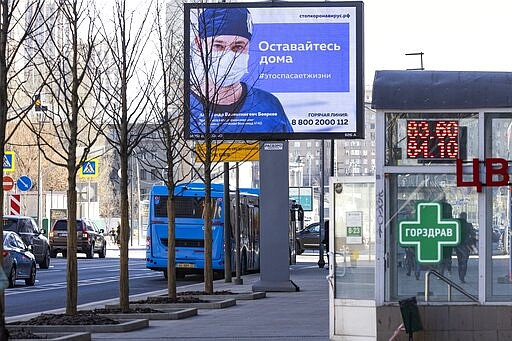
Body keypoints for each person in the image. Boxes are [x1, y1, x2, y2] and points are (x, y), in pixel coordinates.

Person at [189, 7, 293, 135]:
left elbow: (285, 149)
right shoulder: (186, 107)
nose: (228, 56)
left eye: (238, 46)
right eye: (218, 46)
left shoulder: (269, 105)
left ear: (248, 47)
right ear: (199, 45)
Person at [455, 212, 475, 283]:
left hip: (457, 245)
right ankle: (462, 276)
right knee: (464, 261)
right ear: (465, 217)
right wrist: (473, 247)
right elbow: (472, 235)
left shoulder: (456, 224)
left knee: (459, 261)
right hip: (466, 245)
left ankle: (461, 276)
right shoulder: (468, 225)